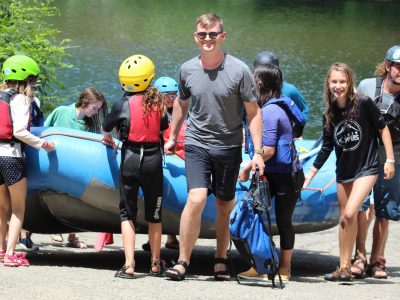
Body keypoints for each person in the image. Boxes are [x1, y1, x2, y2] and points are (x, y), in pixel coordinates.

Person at [163, 13, 264, 281]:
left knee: (223, 204)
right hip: (196, 142)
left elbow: (253, 113)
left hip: (229, 146)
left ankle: (221, 257)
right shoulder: (187, 69)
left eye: (213, 34)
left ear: (222, 36)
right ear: (196, 37)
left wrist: (258, 152)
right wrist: (173, 135)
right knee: (195, 198)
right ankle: (183, 260)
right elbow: (181, 104)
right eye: (202, 34)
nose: (208, 39)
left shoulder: (239, 70)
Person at [303, 62, 395, 282]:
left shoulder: (363, 103)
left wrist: (389, 159)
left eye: (342, 81)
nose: (338, 86)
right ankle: (344, 267)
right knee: (345, 220)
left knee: (349, 213)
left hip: (367, 168)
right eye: (334, 81)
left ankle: (356, 260)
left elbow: (383, 129)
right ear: (328, 83)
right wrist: (311, 173)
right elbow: (326, 147)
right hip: (344, 170)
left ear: (350, 82)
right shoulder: (331, 111)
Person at [102, 54, 169, 278]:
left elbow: (106, 127)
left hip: (130, 158)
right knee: (155, 214)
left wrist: (109, 138)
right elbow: (163, 126)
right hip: (153, 160)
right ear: (149, 78)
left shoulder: (122, 103)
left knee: (127, 213)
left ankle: (129, 266)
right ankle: (156, 263)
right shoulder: (158, 102)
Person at [237, 64, 305, 283]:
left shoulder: (270, 111)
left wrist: (246, 167)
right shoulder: (264, 108)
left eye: (252, 81)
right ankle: (260, 265)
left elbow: (269, 150)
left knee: (284, 222)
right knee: (256, 218)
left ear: (259, 84)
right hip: (268, 173)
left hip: (286, 176)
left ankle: (285, 267)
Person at [0, 55, 55, 267]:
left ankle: (2, 250)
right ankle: (12, 254)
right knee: (18, 209)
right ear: (27, 79)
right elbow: (20, 131)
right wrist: (43, 144)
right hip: (12, 158)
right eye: (32, 80)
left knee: (1, 209)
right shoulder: (21, 99)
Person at [352, 45, 400, 279]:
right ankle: (359, 256)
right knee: (361, 209)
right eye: (398, 67)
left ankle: (377, 260)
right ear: (388, 67)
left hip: (394, 159)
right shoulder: (367, 86)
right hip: (366, 156)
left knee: (384, 211)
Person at [44, 86, 108, 249]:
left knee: (75, 199)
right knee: (54, 196)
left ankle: (73, 236)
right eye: (94, 108)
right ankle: (54, 229)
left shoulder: (88, 123)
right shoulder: (61, 111)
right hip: (54, 161)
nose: (96, 112)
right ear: (85, 103)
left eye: (98, 109)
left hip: (74, 166)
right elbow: (45, 129)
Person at [141, 76, 180, 252]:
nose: (170, 98)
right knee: (156, 202)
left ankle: (172, 237)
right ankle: (152, 241)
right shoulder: (151, 111)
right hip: (156, 158)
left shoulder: (182, 112)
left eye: (173, 94)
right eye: (167, 94)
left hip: (177, 159)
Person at [253, 51, 309, 122]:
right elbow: (242, 115)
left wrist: (297, 129)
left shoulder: (290, 90)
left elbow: (304, 111)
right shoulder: (249, 90)